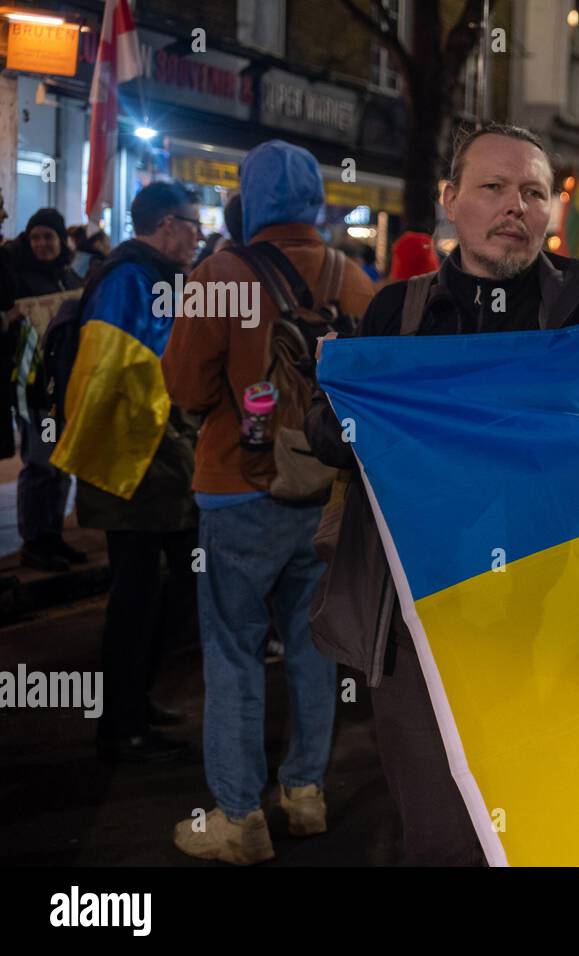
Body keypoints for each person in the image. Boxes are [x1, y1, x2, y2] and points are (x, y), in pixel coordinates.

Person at [304, 122, 579, 866]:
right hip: (418, 624)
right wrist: (343, 405)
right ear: (451, 200)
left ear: (550, 213)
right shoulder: (396, 314)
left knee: (534, 830)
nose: (516, 205)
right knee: (441, 834)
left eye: (534, 192)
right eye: (494, 187)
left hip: (543, 625)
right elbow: (331, 436)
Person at [161, 140, 376, 864]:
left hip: (235, 489)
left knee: (232, 652)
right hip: (327, 497)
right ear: (316, 199)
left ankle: (238, 817)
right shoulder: (355, 280)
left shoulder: (216, 275)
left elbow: (186, 389)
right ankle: (306, 794)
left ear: (250, 199)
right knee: (316, 650)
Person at [54, 182, 203, 762]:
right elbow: (107, 378)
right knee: (137, 597)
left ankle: (133, 702)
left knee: (167, 588)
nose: (198, 233)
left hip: (156, 464)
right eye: (191, 223)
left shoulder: (150, 276)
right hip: (134, 465)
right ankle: (120, 720)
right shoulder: (128, 279)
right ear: (166, 224)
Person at [2, 209, 84, 571]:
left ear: (61, 240)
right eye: (35, 237)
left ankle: (53, 536)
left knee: (62, 466)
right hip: (34, 391)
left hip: (67, 387)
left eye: (48, 237)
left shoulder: (70, 278)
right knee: (40, 464)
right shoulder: (16, 281)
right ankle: (34, 541)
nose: (41, 244)